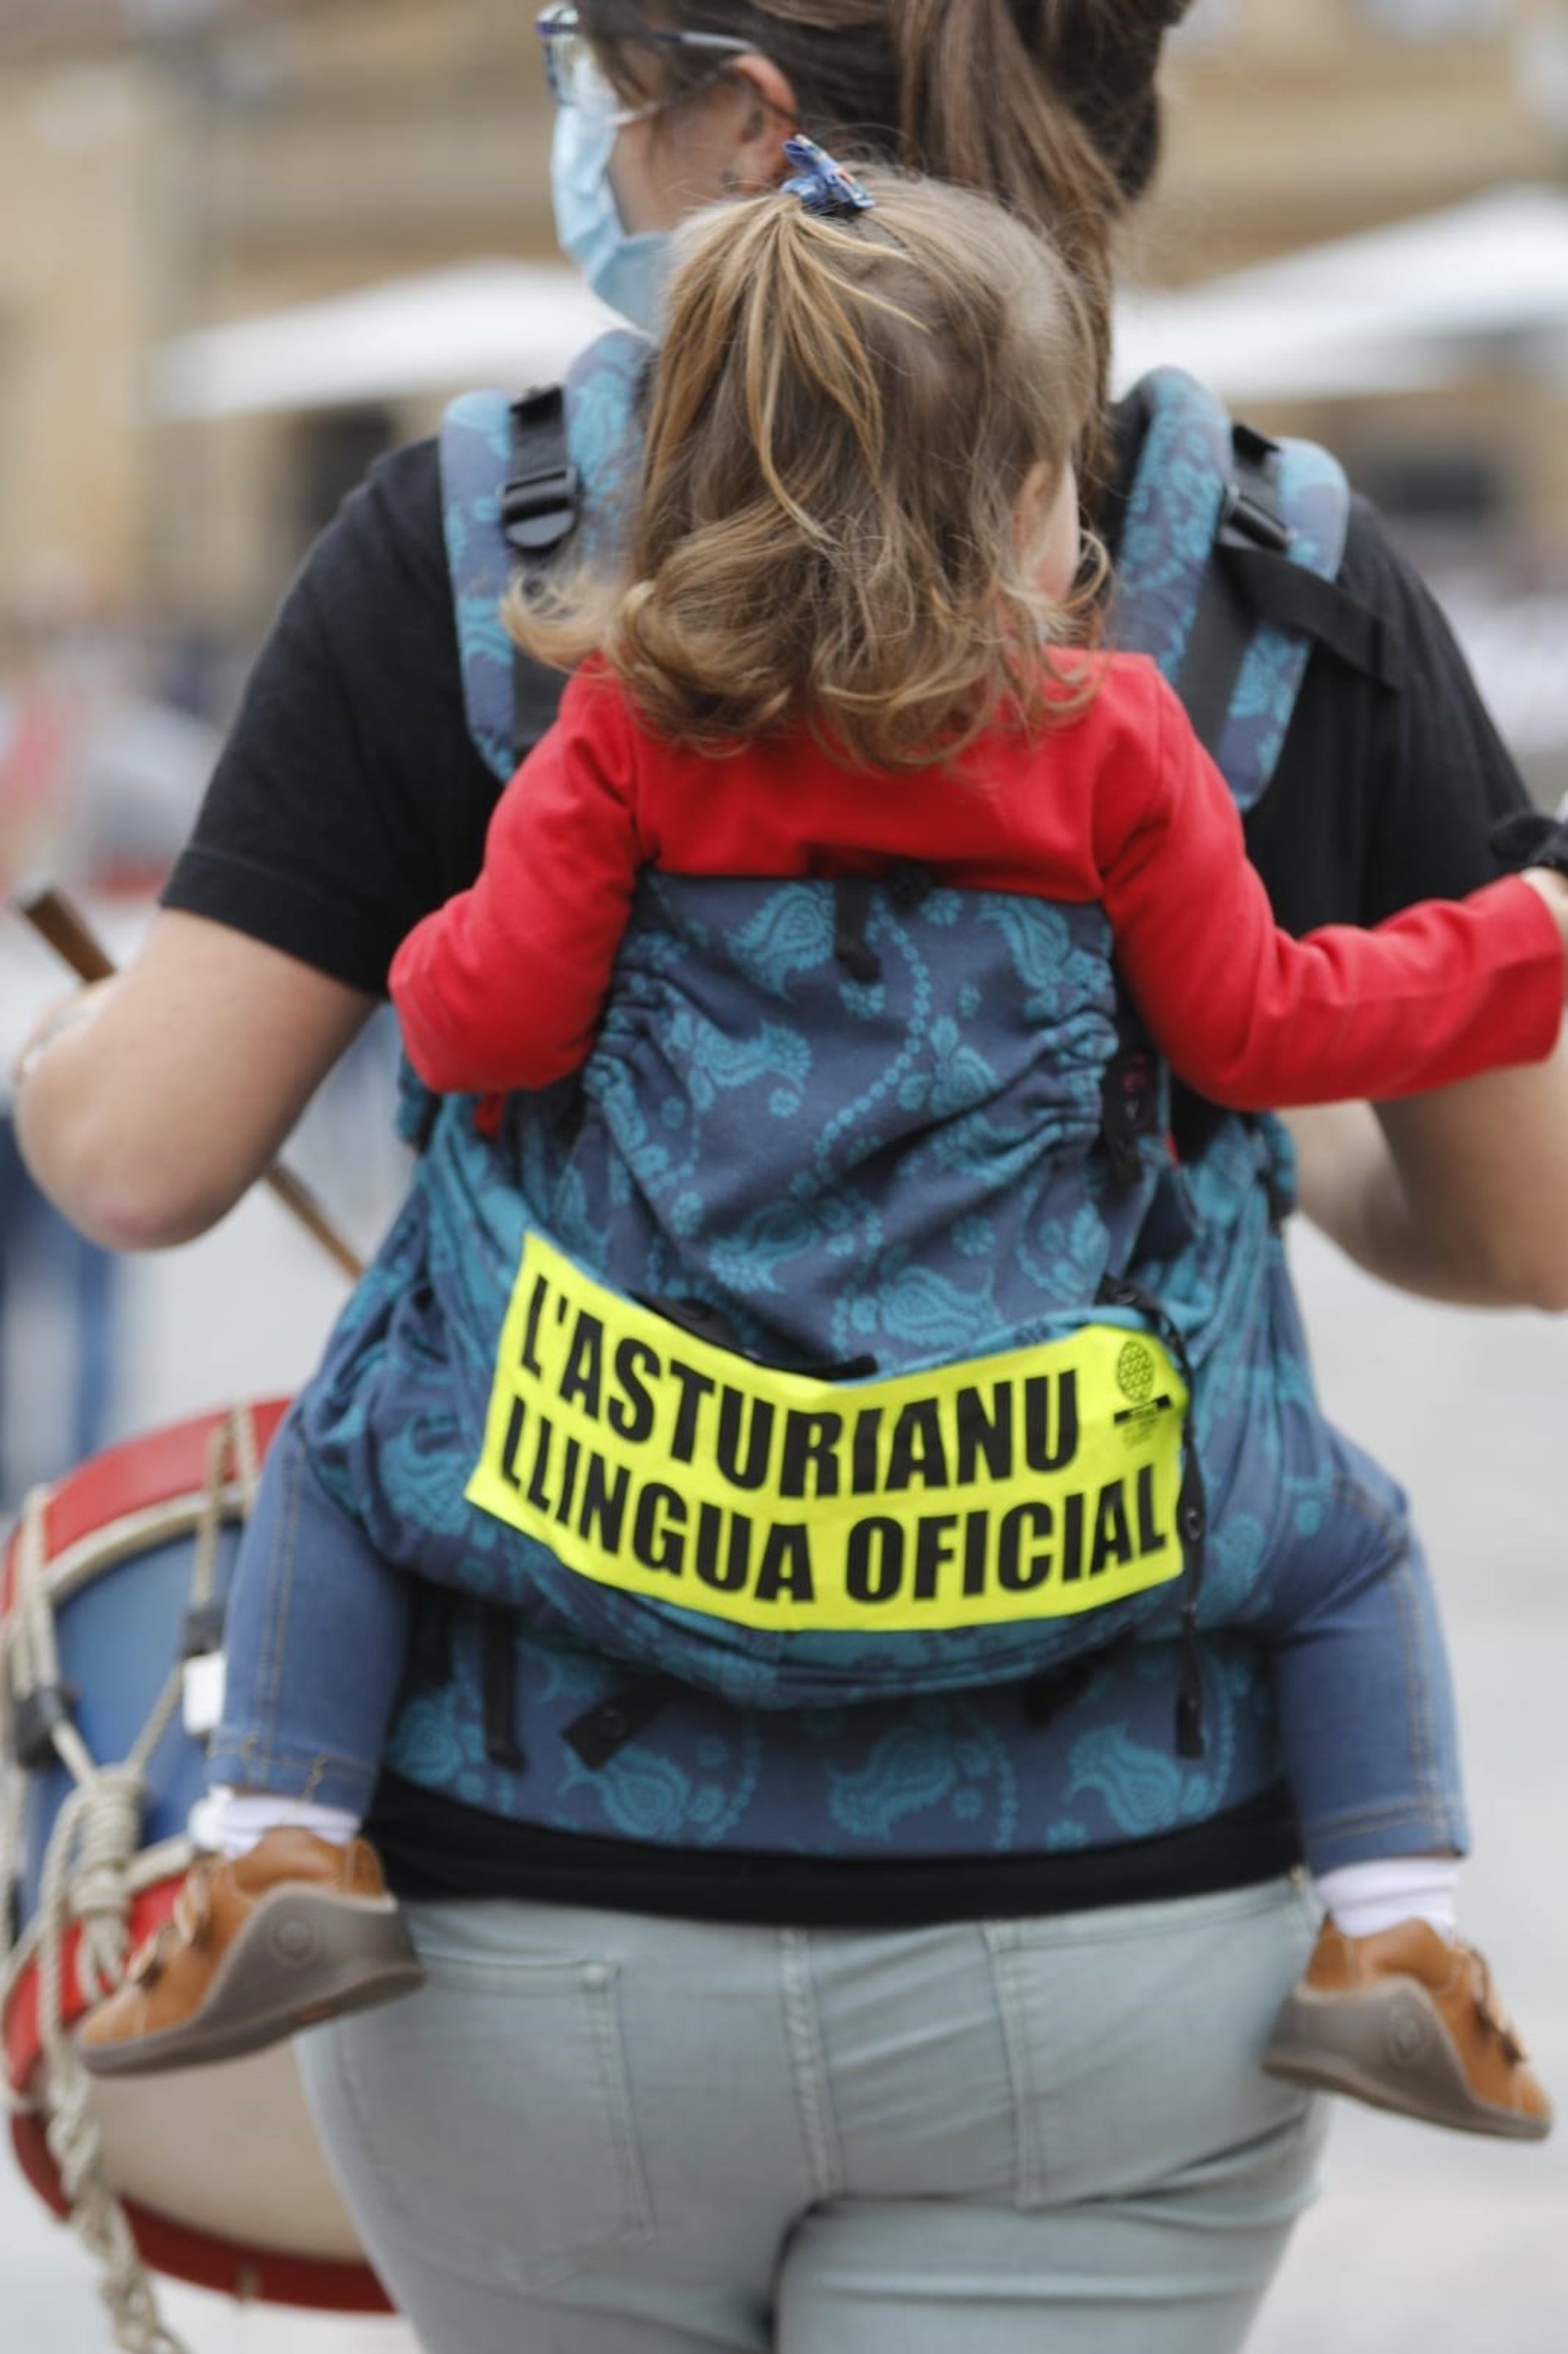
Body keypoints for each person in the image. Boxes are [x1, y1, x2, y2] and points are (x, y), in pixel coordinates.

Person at [16, 7, 1568, 2349]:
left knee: (345, 1444)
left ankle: (276, 1845)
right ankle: (1402, 1922)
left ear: (738, 115)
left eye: (588, 66)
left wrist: (231, 1005)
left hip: (538, 1930)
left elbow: (162, 1149)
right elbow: (1514, 1218)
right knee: (1341, 1534)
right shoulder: (1248, 605)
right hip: (1110, 1927)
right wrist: (1459, 973)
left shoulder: (528, 598)